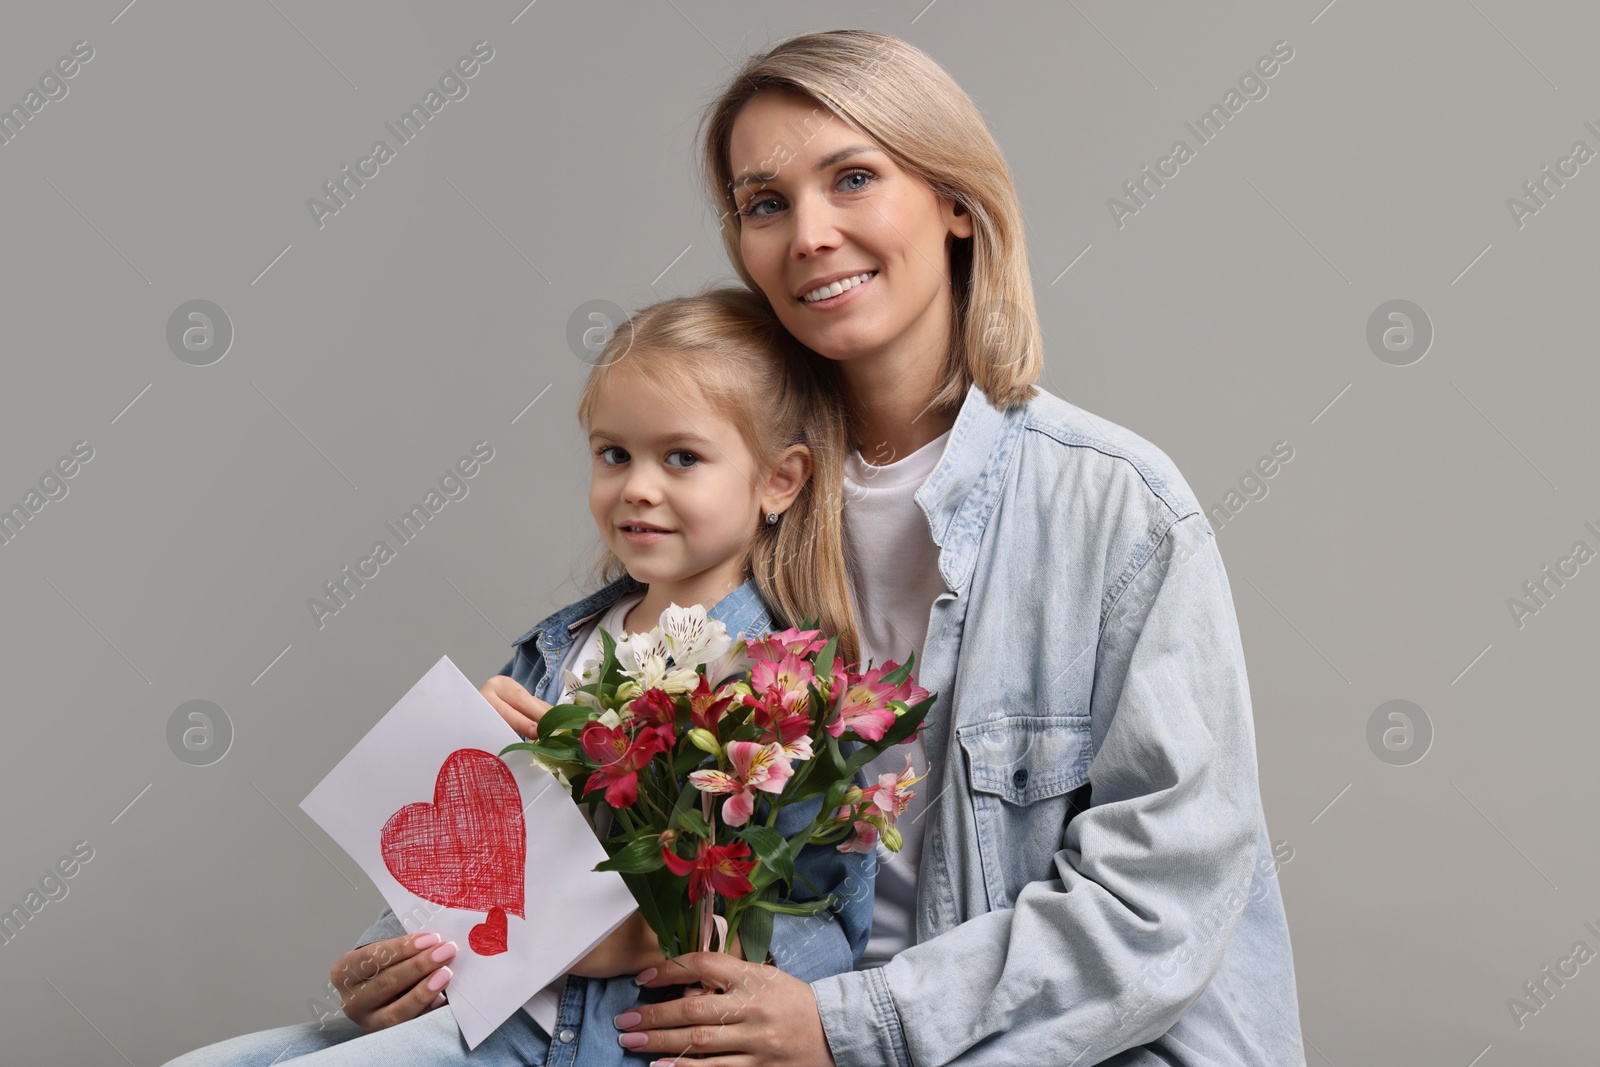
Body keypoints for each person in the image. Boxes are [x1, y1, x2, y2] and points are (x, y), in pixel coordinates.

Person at [601, 29, 1308, 1067]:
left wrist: (848, 1027)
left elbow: (1159, 903)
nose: (808, 233)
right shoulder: (734, 495)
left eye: (852, 178)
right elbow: (632, 824)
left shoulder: (1115, 506)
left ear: (956, 205)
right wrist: (422, 931)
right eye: (766, 202)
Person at [160, 287, 875, 1067]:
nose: (637, 485)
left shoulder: (780, 694)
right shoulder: (556, 652)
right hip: (476, 1013)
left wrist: (578, 931)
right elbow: (456, 867)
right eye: (614, 454)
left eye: (682, 457)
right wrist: (393, 961)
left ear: (779, 480)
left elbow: (810, 925)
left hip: (588, 1039)